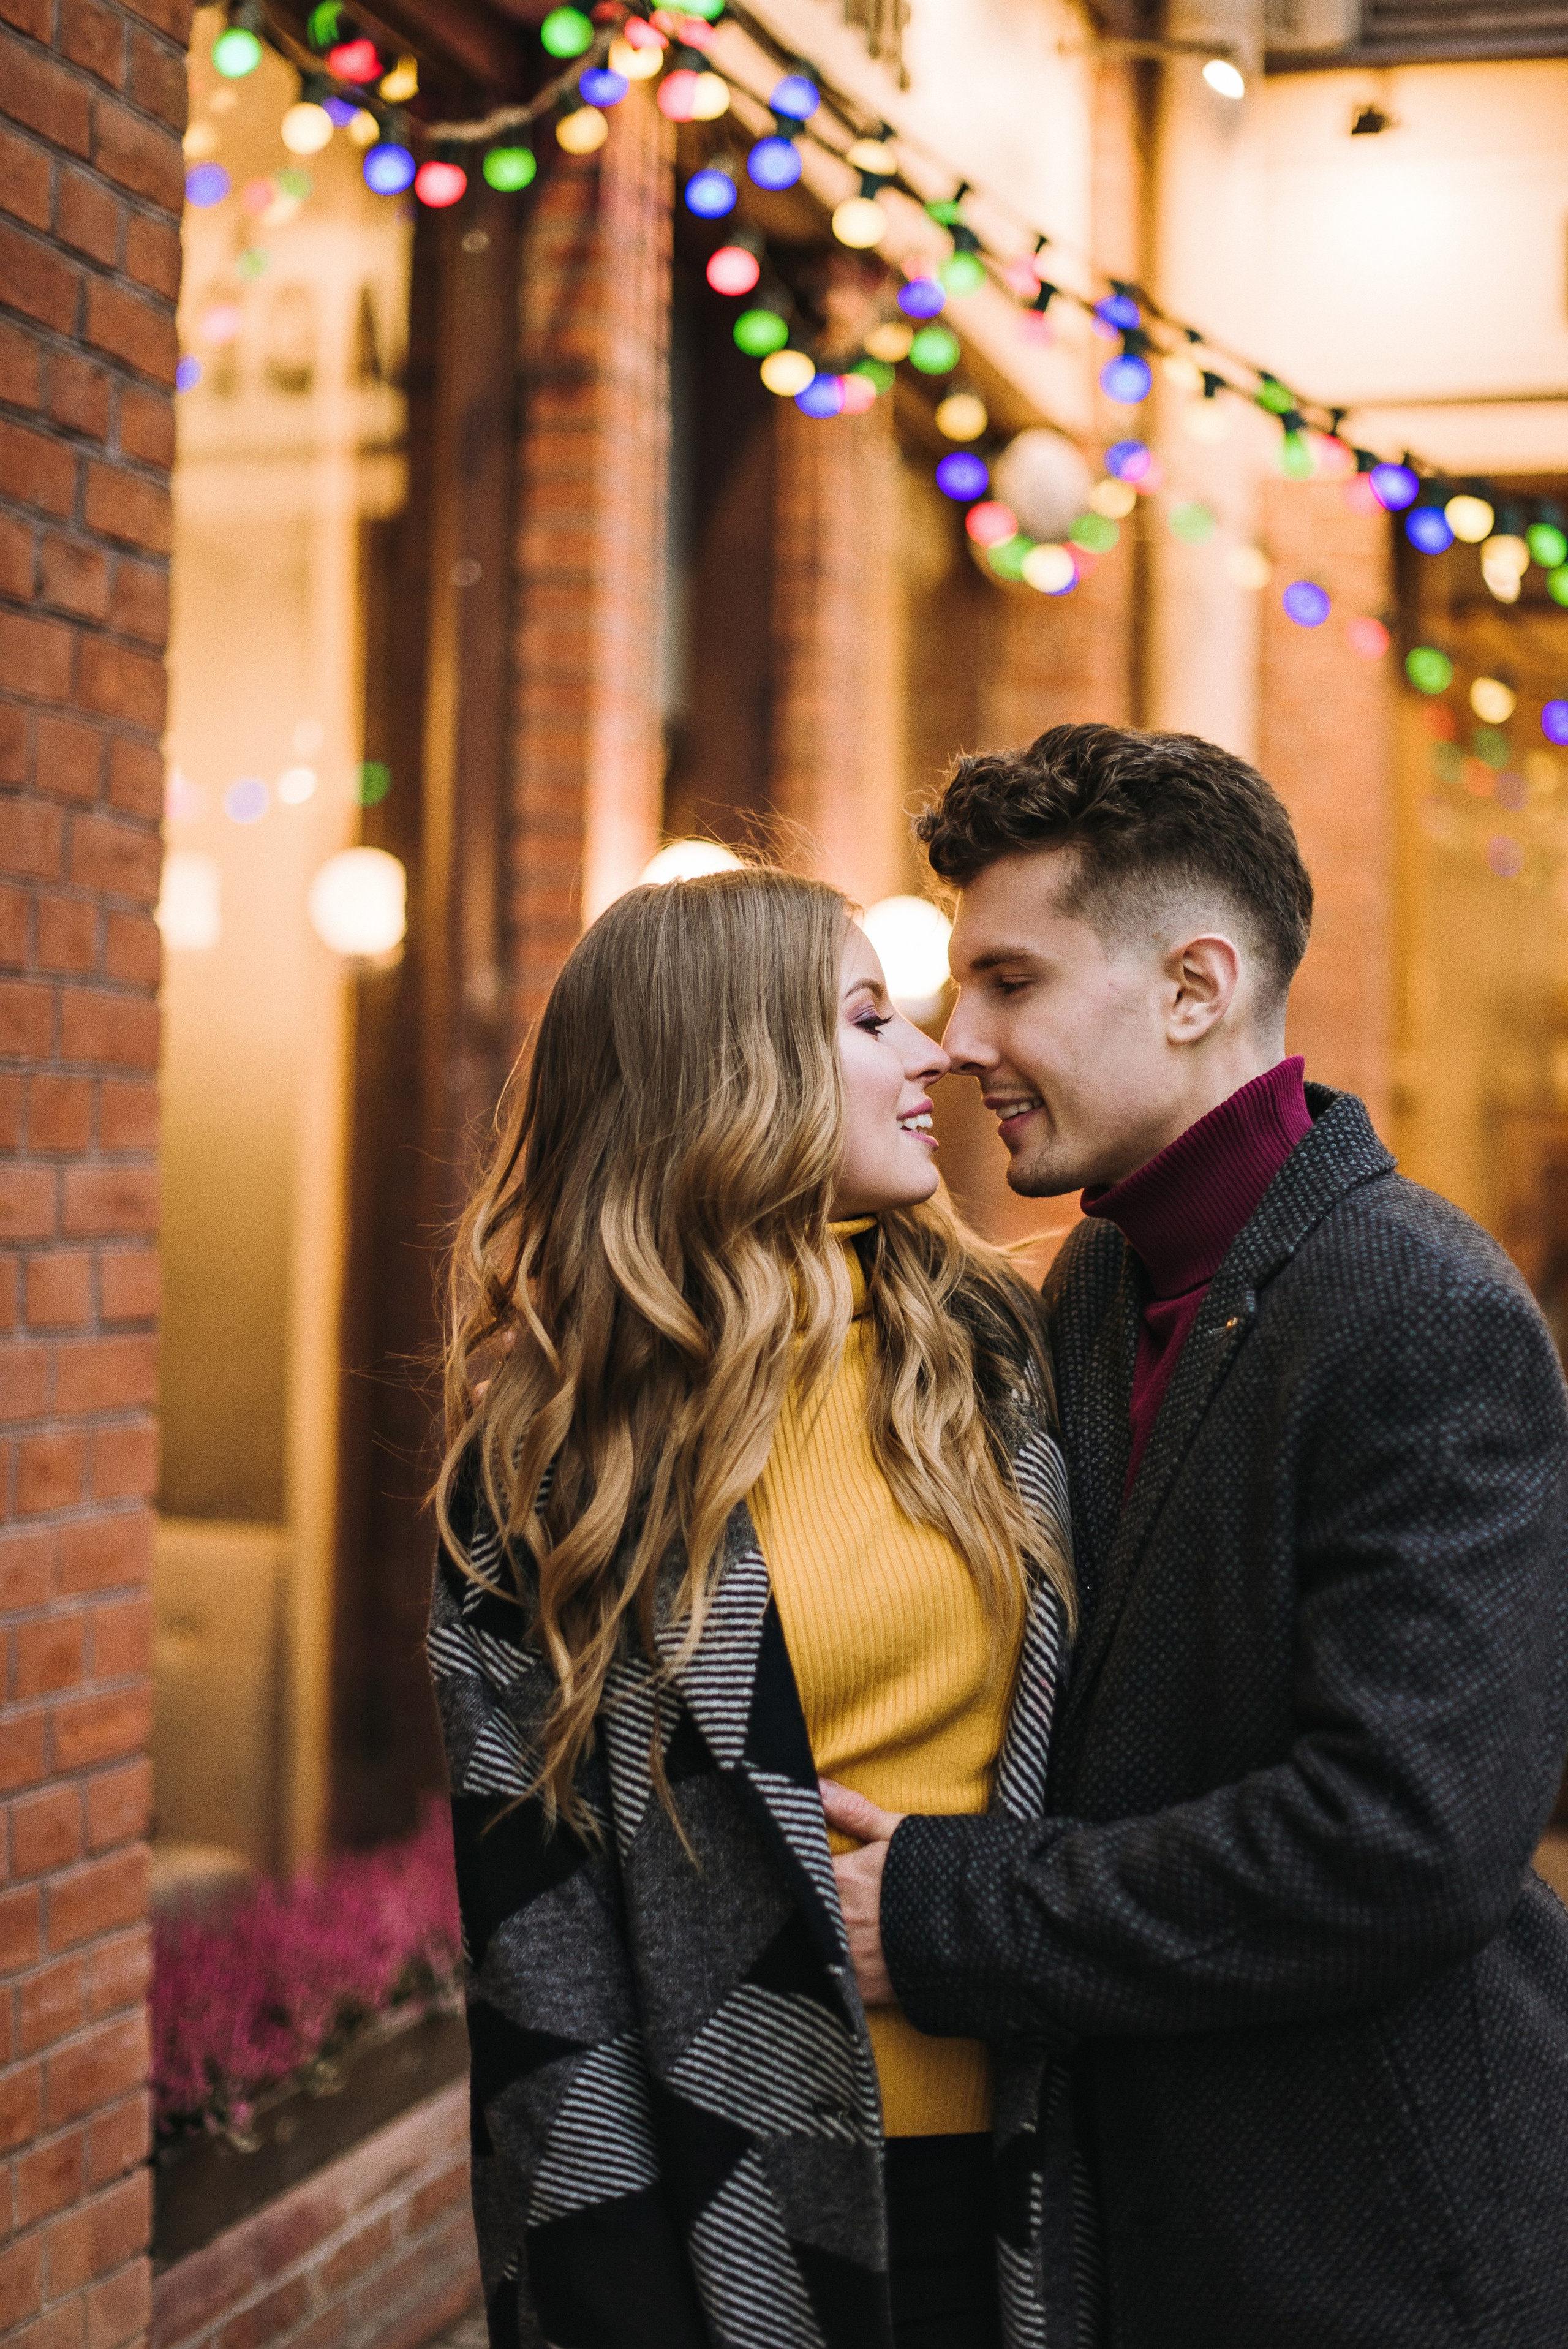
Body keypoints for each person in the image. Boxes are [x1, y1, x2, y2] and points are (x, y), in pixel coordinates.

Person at [823, 722, 1568, 2349]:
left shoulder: (1423, 1309)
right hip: (1128, 2226)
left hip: (1377, 2252)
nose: (959, 1041)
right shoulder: (1089, 1280)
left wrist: (951, 1912)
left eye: (1009, 981)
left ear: (1194, 985)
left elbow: (1403, 1835)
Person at [427, 866, 1077, 2349]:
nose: (933, 1057)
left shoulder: (993, 1356)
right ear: (734, 1072)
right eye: (869, 1020)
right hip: (732, 2211)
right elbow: (540, 1949)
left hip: (1048, 2159)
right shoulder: (554, 1461)